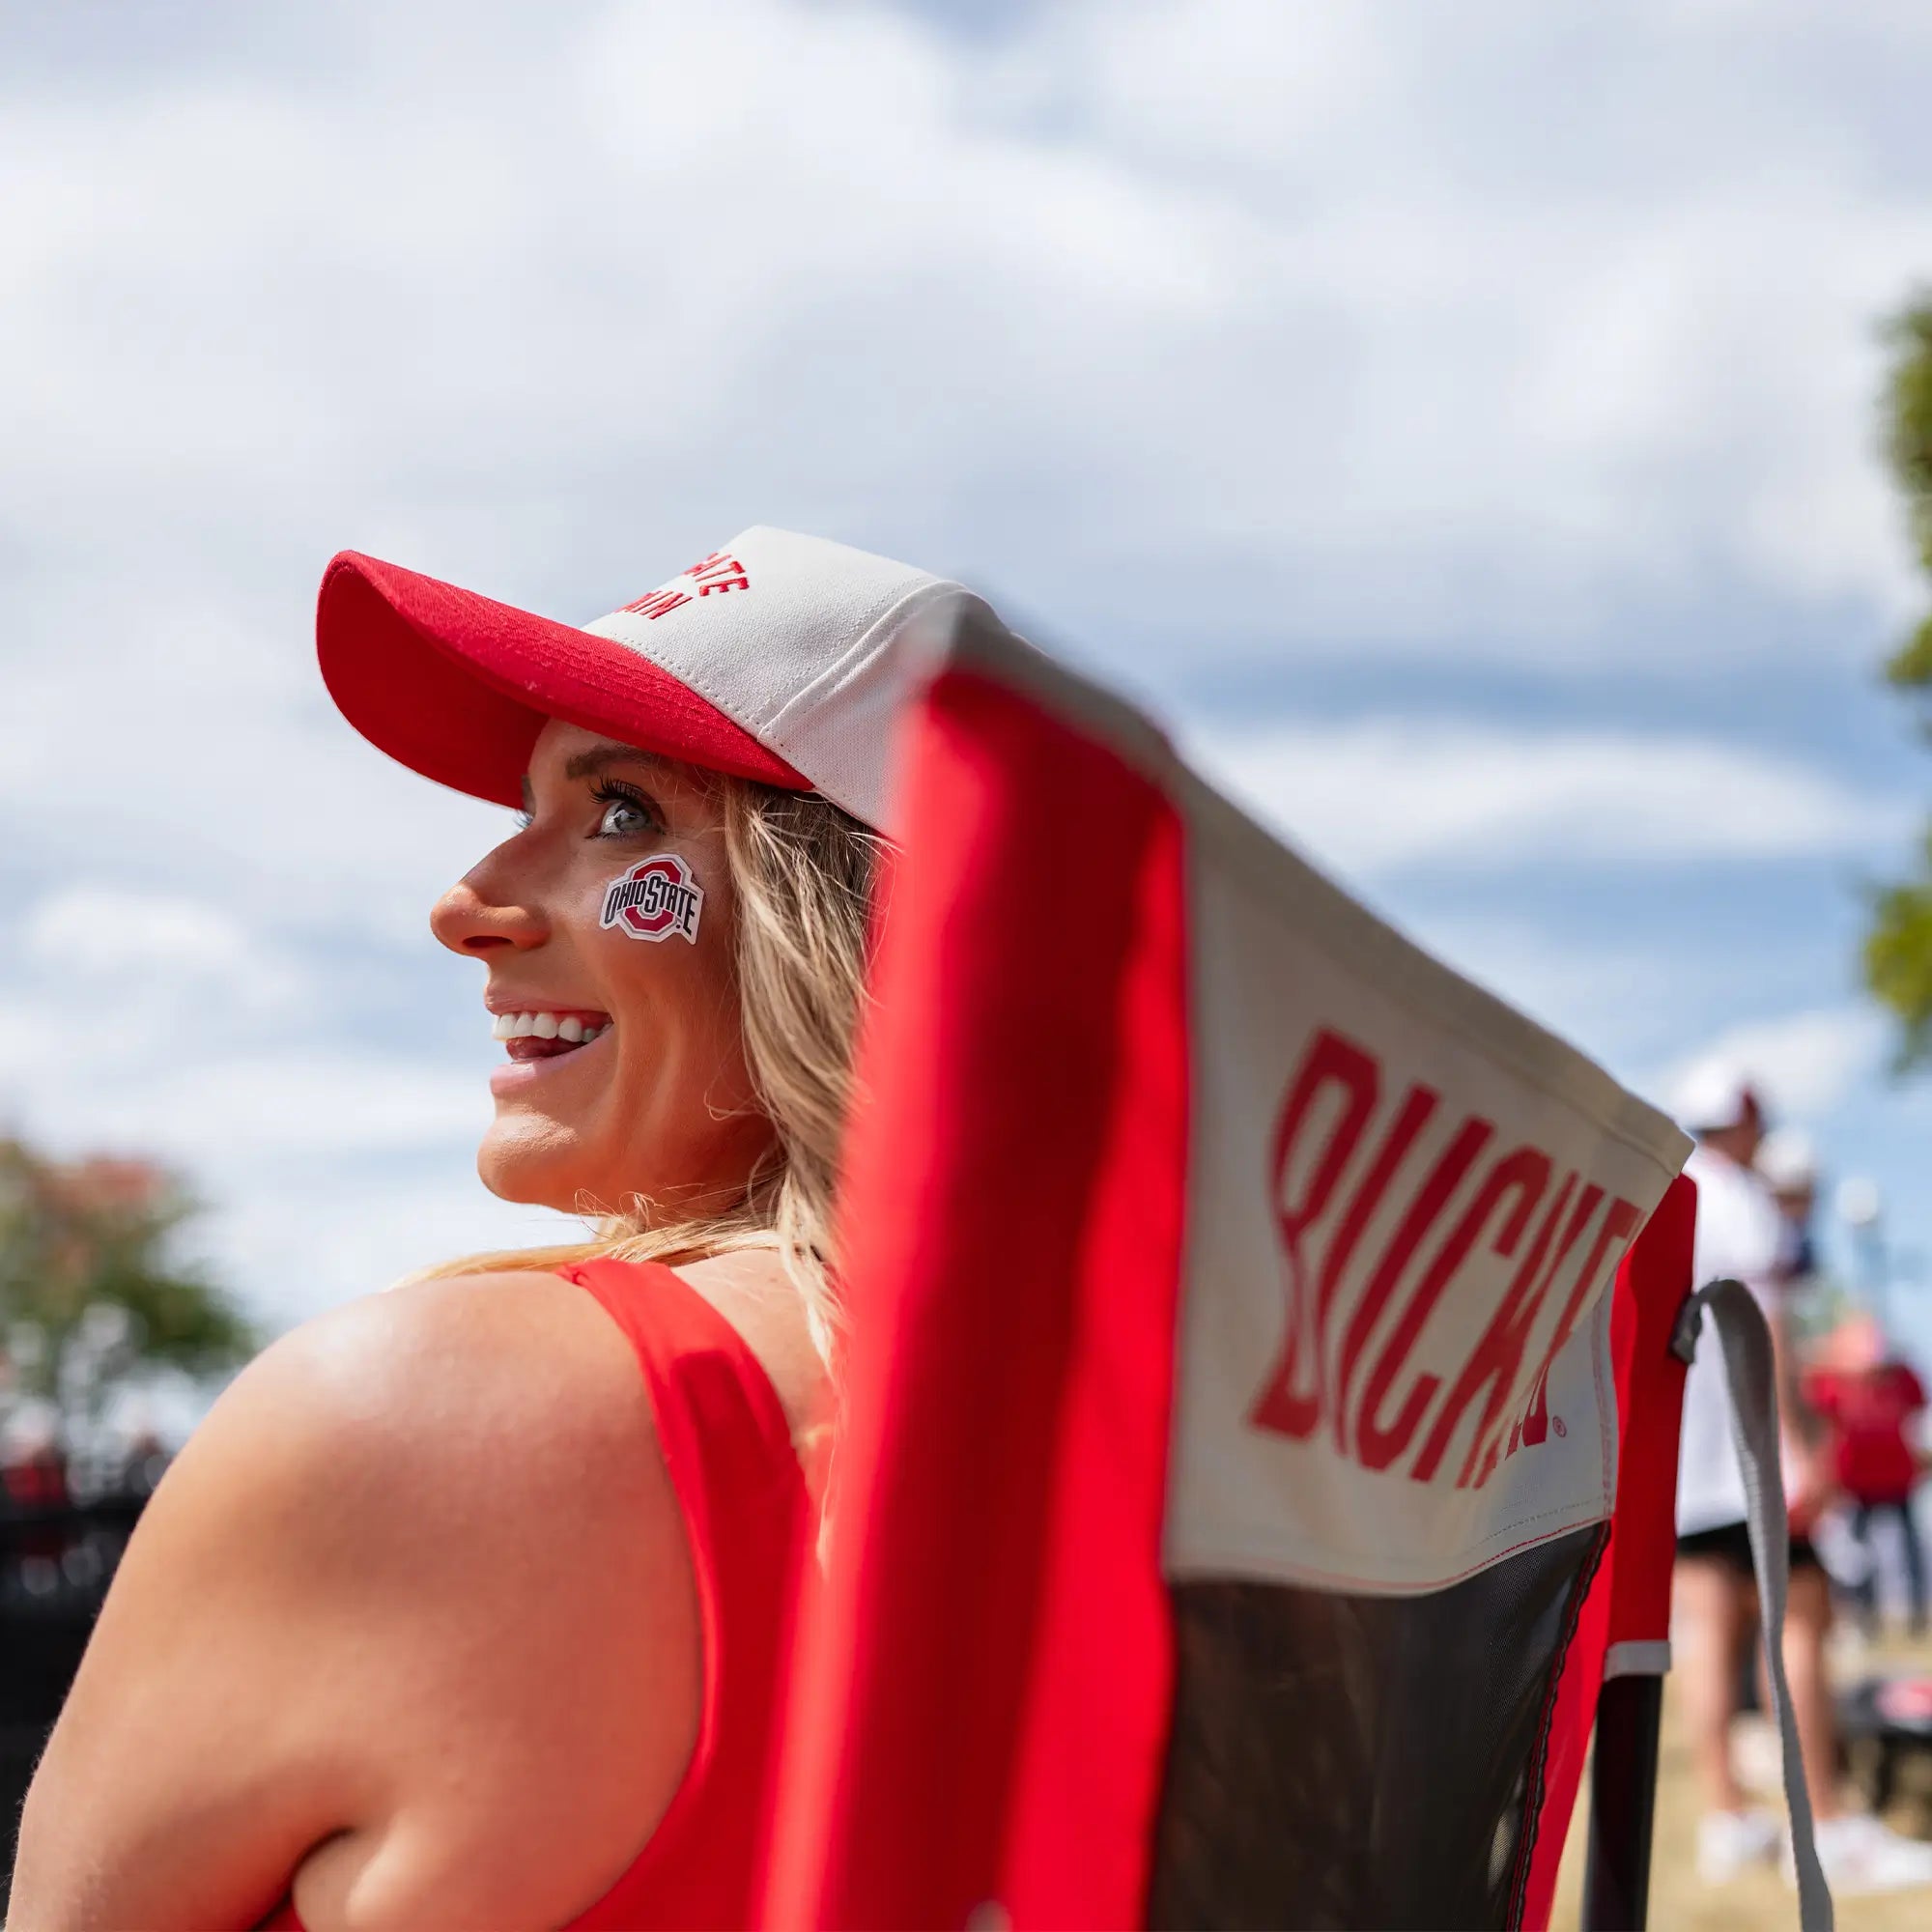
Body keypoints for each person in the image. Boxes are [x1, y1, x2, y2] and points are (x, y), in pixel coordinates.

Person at [9, 527, 976, 1930]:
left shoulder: (415, 1418)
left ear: (846, 910)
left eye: (622, 811)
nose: (465, 907)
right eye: (528, 805)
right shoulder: (1255, 1451)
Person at [1669, 1062, 1932, 1893]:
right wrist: (1799, 1442)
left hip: (1685, 1468)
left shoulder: (1670, 1200)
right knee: (1801, 1626)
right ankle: (1824, 1827)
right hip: (1749, 1459)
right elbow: (1768, 1324)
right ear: (1743, 1121)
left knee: (1708, 1634)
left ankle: (1727, 1817)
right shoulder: (1740, 1200)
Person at [1807, 1314, 1929, 1637]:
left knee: (1909, 1550)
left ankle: (1915, 1617)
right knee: (1855, 1556)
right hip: (1854, 1483)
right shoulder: (1829, 1381)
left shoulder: (1902, 1378)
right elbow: (1814, 1424)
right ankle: (1861, 1617)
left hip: (1898, 1479)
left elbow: (1919, 1420)